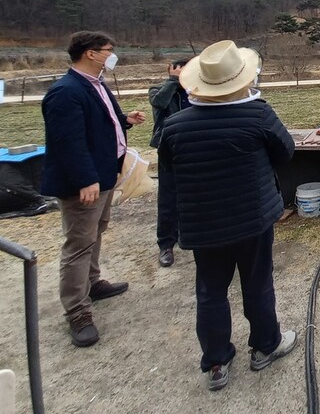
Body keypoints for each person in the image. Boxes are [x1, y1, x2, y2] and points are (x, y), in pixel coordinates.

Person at [157, 40, 298, 392]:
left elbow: (169, 186)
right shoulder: (258, 113)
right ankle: (266, 346)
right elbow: (286, 151)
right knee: (257, 283)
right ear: (241, 79)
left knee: (210, 292)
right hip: (252, 219)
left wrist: (169, 232)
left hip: (203, 224)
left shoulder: (173, 128)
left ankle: (217, 362)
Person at [41, 31, 146, 347]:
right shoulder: (65, 92)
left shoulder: (95, 85)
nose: (112, 55)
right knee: (78, 244)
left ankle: (93, 282)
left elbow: (100, 123)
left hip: (104, 176)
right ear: (89, 53)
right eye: (108, 50)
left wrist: (125, 120)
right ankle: (77, 312)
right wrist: (85, 179)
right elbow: (68, 142)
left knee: (96, 232)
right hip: (85, 183)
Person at [148, 59, 190, 268]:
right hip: (170, 151)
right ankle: (166, 244)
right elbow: (159, 103)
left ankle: (186, 233)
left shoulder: (196, 91)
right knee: (168, 198)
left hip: (193, 149)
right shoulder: (160, 90)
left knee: (192, 195)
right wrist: (173, 81)